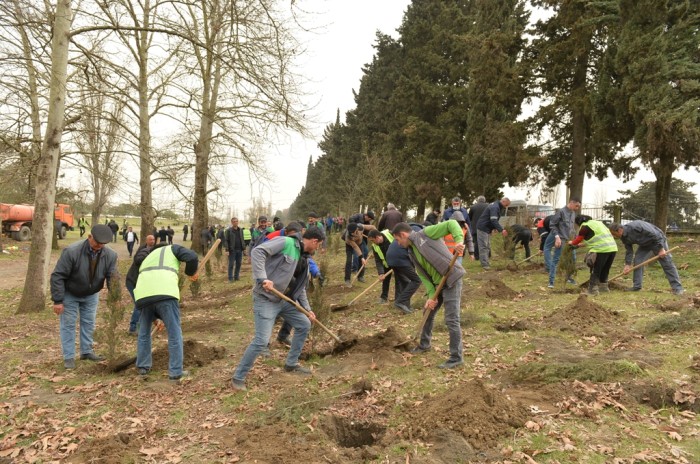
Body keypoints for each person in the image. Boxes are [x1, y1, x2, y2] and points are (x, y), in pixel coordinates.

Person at [230, 227, 324, 391]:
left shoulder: (304, 258)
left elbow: (300, 288)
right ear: (314, 241)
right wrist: (263, 278)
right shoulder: (287, 242)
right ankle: (238, 377)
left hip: (284, 300)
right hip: (266, 299)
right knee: (261, 341)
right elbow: (258, 252)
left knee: (304, 324)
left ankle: (291, 363)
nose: (318, 248)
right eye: (319, 245)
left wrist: (307, 310)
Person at [392, 221, 466, 369]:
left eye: (397, 239)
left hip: (451, 278)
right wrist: (431, 297)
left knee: (451, 319)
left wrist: (459, 241)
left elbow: (451, 224)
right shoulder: (412, 252)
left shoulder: (426, 234)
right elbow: (424, 276)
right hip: (438, 285)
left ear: (403, 234)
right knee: (428, 311)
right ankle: (425, 345)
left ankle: (456, 357)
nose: (398, 243)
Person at [50, 224, 118, 369]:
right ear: (89, 237)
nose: (99, 246)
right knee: (68, 325)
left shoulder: (110, 255)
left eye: (103, 244)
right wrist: (58, 300)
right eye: (97, 243)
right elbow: (58, 276)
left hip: (92, 294)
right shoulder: (72, 251)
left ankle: (86, 351)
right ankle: (69, 357)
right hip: (71, 293)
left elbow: (112, 277)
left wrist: (115, 298)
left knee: (89, 323)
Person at [134, 242, 199, 382]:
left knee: (144, 333)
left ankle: (142, 367)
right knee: (174, 333)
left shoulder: (149, 256)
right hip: (165, 294)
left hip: (143, 296)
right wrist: (191, 273)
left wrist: (155, 318)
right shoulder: (172, 249)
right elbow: (192, 257)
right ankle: (175, 372)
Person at [608, 221, 683, 295]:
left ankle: (677, 288)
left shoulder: (636, 226)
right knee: (638, 261)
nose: (614, 237)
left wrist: (661, 249)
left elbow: (656, 234)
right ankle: (637, 286)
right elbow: (629, 250)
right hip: (645, 244)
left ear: (619, 230)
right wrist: (627, 264)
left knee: (666, 262)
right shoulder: (623, 237)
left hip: (657, 241)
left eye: (614, 234)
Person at [569, 216, 617, 295]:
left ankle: (593, 290)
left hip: (601, 249)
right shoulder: (598, 223)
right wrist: (577, 246)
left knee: (596, 269)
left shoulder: (584, 226)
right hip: (612, 248)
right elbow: (593, 240)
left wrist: (572, 243)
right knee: (605, 269)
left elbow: (579, 239)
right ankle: (604, 288)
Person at [544, 197, 581, 288]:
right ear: (571, 203)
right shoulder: (561, 212)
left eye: (578, 207)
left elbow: (571, 228)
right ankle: (551, 282)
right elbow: (552, 225)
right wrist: (557, 237)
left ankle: (569, 278)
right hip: (561, 239)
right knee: (556, 260)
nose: (577, 208)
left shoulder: (573, 213)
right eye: (576, 206)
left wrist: (575, 238)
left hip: (570, 240)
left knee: (573, 259)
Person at [125, 234, 156, 334]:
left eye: (154, 239)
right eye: (150, 239)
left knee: (143, 304)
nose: (152, 241)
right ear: (146, 241)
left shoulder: (152, 251)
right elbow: (137, 260)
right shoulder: (143, 251)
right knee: (139, 305)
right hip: (132, 281)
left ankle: (140, 327)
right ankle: (133, 328)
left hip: (139, 283)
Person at [385, 234, 421, 314]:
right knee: (417, 280)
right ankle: (400, 302)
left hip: (390, 259)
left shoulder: (405, 231)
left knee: (403, 282)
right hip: (400, 259)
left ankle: (405, 306)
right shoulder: (417, 234)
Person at [475, 197, 511, 270]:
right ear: (503, 202)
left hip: (487, 228)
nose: (506, 207)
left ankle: (486, 262)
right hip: (483, 228)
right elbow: (493, 220)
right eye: (506, 205)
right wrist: (501, 230)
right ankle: (485, 264)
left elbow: (491, 219)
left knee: (487, 246)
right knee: (483, 246)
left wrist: (493, 228)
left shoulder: (496, 206)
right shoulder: (495, 207)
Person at [367, 229, 396, 305]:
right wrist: (381, 273)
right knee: (385, 280)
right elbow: (378, 260)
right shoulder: (375, 246)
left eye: (373, 240)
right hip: (387, 264)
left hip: (398, 262)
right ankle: (383, 297)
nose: (372, 243)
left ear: (377, 237)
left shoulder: (390, 234)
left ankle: (399, 298)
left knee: (400, 280)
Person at [344, 222, 376, 287]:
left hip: (360, 243)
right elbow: (355, 247)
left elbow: (372, 227)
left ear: (357, 229)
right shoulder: (348, 237)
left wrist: (376, 235)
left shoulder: (360, 227)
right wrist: (361, 257)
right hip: (350, 246)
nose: (352, 234)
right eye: (351, 233)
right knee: (349, 261)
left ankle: (360, 276)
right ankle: (347, 279)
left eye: (353, 232)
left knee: (362, 260)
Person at [223, 217, 246, 282]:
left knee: (239, 264)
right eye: (234, 221)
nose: (235, 222)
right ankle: (230, 278)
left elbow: (242, 239)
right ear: (232, 223)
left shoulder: (240, 230)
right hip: (232, 250)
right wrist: (227, 250)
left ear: (238, 222)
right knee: (231, 264)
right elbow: (226, 241)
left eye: (236, 221)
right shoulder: (229, 230)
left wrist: (244, 249)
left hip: (240, 250)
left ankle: (236, 276)